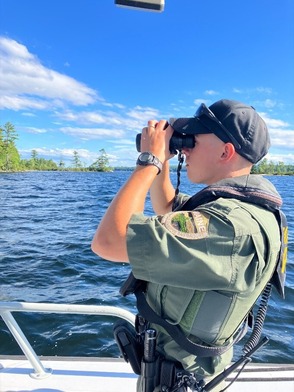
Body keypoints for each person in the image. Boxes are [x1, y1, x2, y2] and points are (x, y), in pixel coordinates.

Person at [91, 99, 283, 391]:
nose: (186, 148)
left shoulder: (231, 227)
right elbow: (168, 209)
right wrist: (163, 162)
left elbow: (108, 241)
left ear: (225, 151)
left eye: (193, 139)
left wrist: (148, 162)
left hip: (180, 381)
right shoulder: (237, 210)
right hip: (180, 374)